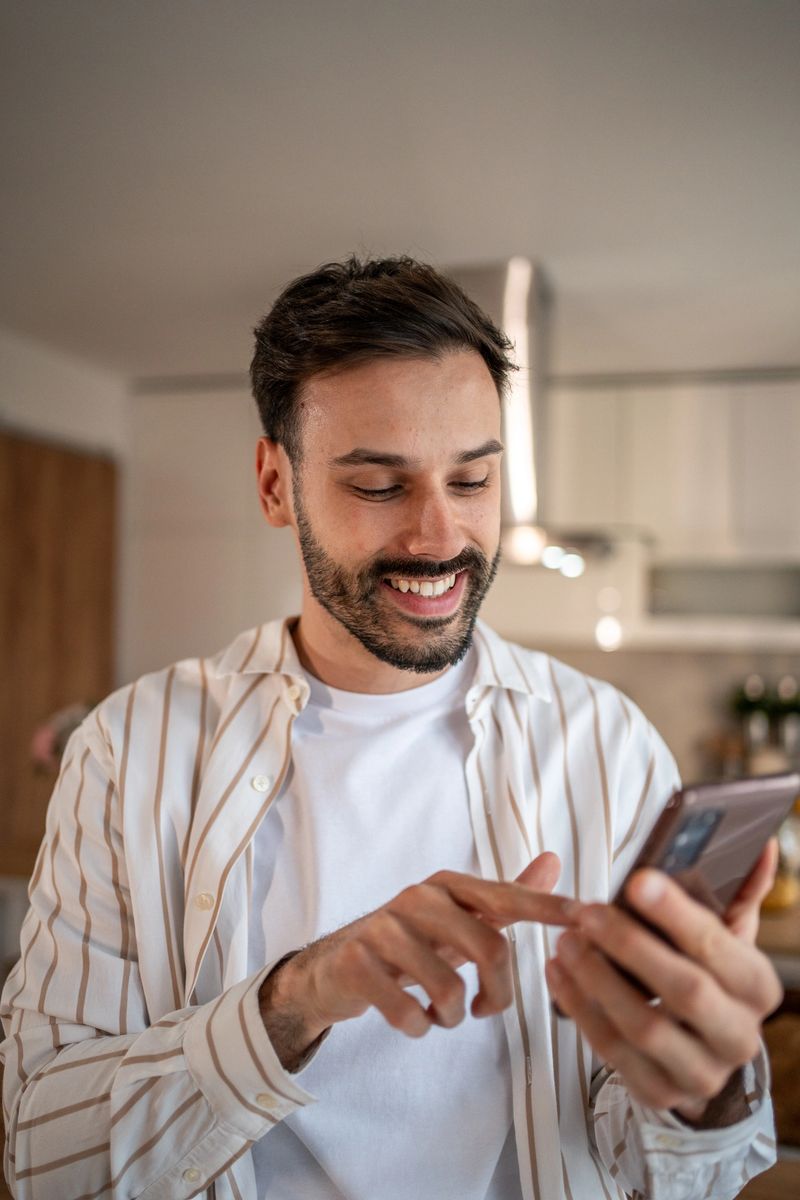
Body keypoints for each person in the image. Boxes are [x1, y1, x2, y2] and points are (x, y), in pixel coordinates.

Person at [0, 256, 781, 1200]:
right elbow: (42, 1159)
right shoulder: (132, 752)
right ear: (275, 483)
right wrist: (296, 999)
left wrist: (700, 1096)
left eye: (473, 480)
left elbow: (677, 1171)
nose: (439, 536)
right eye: (379, 485)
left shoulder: (606, 744)